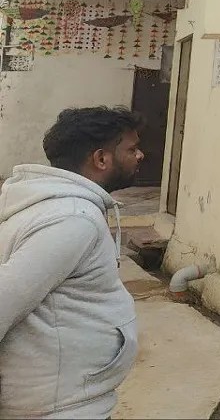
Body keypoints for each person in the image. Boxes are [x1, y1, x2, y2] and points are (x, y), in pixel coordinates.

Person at [0, 107, 145, 419]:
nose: (140, 155)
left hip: (66, 398)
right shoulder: (73, 219)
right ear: (101, 159)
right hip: (61, 407)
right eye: (131, 149)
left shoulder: (60, 209)